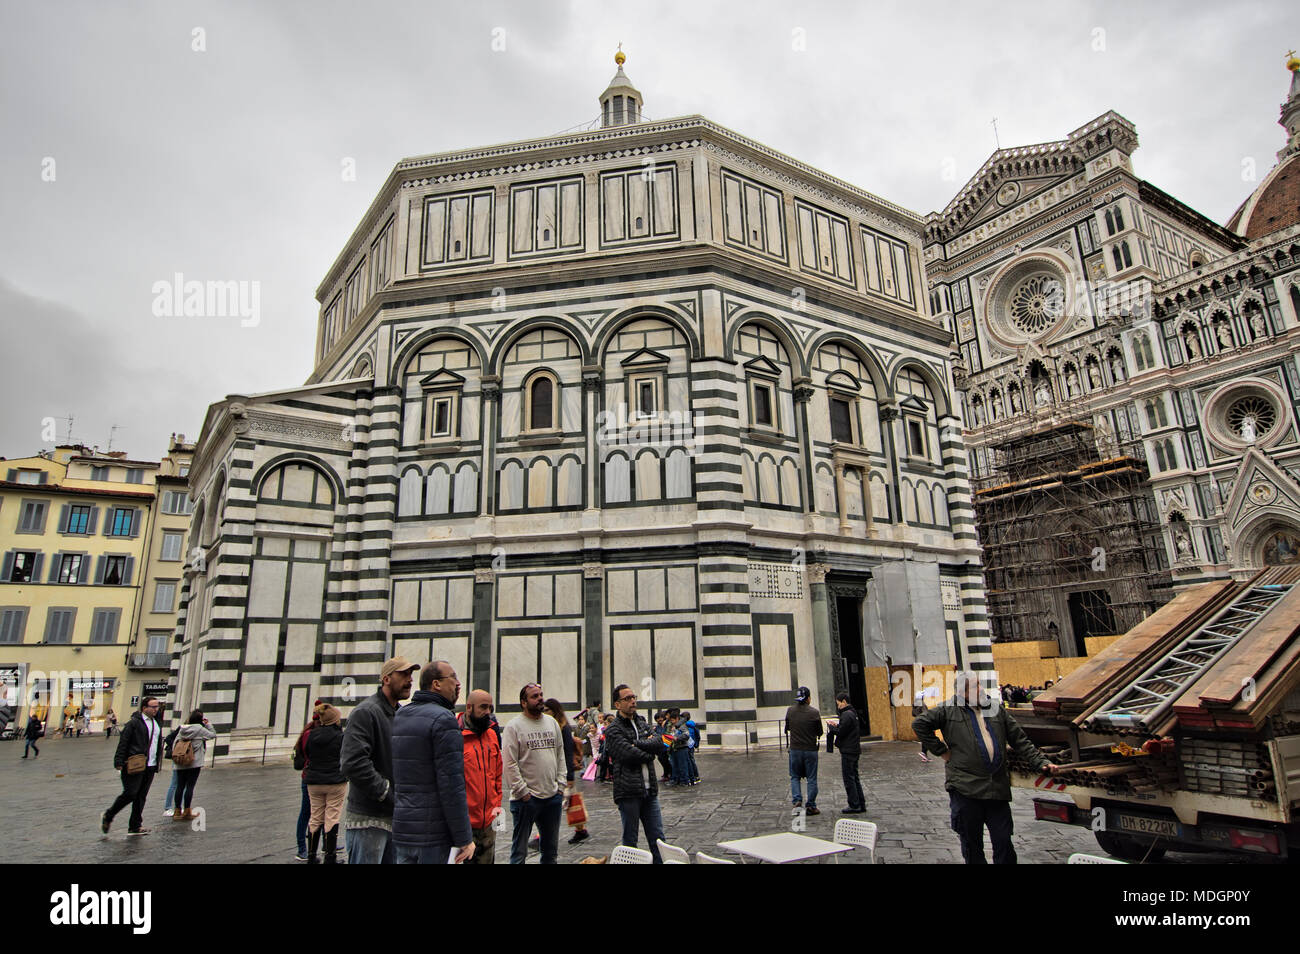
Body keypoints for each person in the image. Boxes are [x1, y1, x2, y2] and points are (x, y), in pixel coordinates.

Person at [912, 672, 1058, 864]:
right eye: (974, 687)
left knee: (1003, 840)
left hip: (996, 787)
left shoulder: (995, 709)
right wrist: (942, 751)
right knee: (972, 844)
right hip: (965, 787)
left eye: (979, 685)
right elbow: (920, 724)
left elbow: (1019, 740)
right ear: (961, 692)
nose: (980, 689)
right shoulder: (949, 710)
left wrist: (1042, 763)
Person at [392, 661, 475, 864]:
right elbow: (452, 786)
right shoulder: (445, 720)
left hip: (403, 829)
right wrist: (464, 838)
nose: (457, 683)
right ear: (436, 684)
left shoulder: (401, 715)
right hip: (433, 834)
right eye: (453, 677)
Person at [340, 656, 418, 864]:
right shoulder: (366, 712)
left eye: (411, 674)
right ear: (386, 679)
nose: (410, 679)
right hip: (369, 819)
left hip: (394, 816)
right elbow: (352, 762)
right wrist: (385, 791)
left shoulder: (399, 714)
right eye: (403, 674)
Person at [501, 682, 566, 864]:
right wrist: (523, 792)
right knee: (519, 852)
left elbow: (560, 754)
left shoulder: (552, 723)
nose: (540, 699)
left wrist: (560, 785)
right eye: (534, 696)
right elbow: (509, 763)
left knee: (550, 852)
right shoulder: (514, 726)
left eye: (540, 695)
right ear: (523, 702)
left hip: (552, 797)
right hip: (526, 801)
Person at [604, 683, 668, 862]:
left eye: (634, 697)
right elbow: (627, 754)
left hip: (650, 791)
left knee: (658, 839)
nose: (633, 701)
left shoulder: (641, 721)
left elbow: (659, 743)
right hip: (628, 793)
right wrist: (648, 750)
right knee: (630, 842)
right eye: (627, 698)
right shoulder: (613, 729)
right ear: (617, 704)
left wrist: (637, 744)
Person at [101, 696, 164, 836]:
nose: (156, 709)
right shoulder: (134, 723)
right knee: (130, 793)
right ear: (144, 708)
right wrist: (118, 761)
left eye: (157, 707)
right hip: (135, 763)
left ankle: (135, 826)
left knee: (141, 796)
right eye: (153, 707)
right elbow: (124, 742)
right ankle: (109, 814)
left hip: (150, 765)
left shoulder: (157, 723)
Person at [459, 689, 503, 864]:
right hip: (464, 824)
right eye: (483, 707)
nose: (488, 712)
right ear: (469, 707)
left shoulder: (491, 734)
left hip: (488, 823)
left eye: (490, 708)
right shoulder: (455, 735)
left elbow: (498, 773)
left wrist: (496, 805)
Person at [543, 698, 590, 846]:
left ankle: (541, 835)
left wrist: (569, 776)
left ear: (554, 711)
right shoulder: (551, 726)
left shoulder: (563, 728)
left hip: (562, 772)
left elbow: (567, 752)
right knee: (568, 802)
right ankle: (581, 830)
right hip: (554, 771)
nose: (544, 712)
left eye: (547, 710)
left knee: (556, 803)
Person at [304, 703, 347, 864]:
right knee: (332, 817)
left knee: (315, 817)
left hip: (314, 781)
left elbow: (307, 753)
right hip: (335, 781)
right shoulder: (340, 737)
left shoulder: (311, 735)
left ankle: (311, 855)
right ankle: (330, 856)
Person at [170, 709, 217, 820]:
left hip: (181, 762)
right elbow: (212, 735)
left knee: (180, 786)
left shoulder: (182, 729)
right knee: (189, 786)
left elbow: (175, 743)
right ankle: (186, 811)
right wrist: (208, 724)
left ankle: (177, 811)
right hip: (194, 762)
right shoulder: (199, 729)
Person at [292, 702, 322, 861]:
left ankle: (316, 846)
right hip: (311, 778)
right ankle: (302, 849)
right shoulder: (310, 735)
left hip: (313, 778)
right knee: (307, 813)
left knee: (315, 814)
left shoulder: (308, 733)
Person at [785, 686, 822, 815]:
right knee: (811, 778)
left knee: (795, 776)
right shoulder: (814, 713)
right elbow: (820, 732)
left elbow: (787, 728)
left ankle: (797, 800)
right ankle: (811, 805)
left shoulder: (790, 711)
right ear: (808, 698)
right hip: (810, 749)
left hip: (795, 749)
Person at [827, 691, 865, 814]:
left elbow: (841, 732)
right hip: (854, 749)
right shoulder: (852, 713)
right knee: (855, 777)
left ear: (844, 701)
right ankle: (860, 803)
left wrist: (832, 727)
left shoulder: (846, 715)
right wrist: (837, 726)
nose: (838, 707)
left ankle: (854, 804)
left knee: (849, 778)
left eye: (839, 704)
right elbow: (845, 728)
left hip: (848, 750)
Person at [682, 711, 700, 784]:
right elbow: (697, 736)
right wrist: (696, 744)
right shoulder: (693, 725)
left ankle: (693, 776)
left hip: (687, 745)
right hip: (691, 745)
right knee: (692, 761)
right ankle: (696, 776)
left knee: (689, 761)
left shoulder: (685, 726)